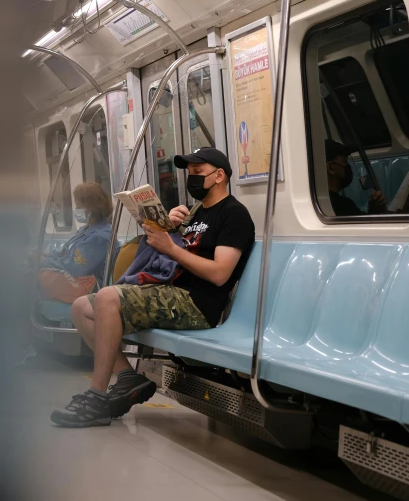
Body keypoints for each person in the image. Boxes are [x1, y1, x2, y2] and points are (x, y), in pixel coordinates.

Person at [50, 148, 255, 428]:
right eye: (189, 173)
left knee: (108, 297)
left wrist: (171, 247)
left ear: (219, 176)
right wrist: (170, 228)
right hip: (170, 291)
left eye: (198, 173)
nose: (191, 178)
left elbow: (220, 274)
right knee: (81, 307)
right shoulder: (194, 213)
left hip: (196, 303)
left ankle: (97, 398)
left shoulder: (234, 215)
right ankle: (127, 377)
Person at [41, 182, 115, 287]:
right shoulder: (85, 229)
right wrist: (46, 255)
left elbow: (75, 268)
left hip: (91, 287)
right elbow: (64, 252)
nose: (76, 210)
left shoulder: (100, 238)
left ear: (90, 208)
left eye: (78, 206)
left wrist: (45, 261)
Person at [325, 140, 386, 216]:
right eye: (345, 162)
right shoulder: (343, 205)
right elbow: (366, 226)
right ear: (331, 168)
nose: (348, 166)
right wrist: (374, 211)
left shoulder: (320, 203)